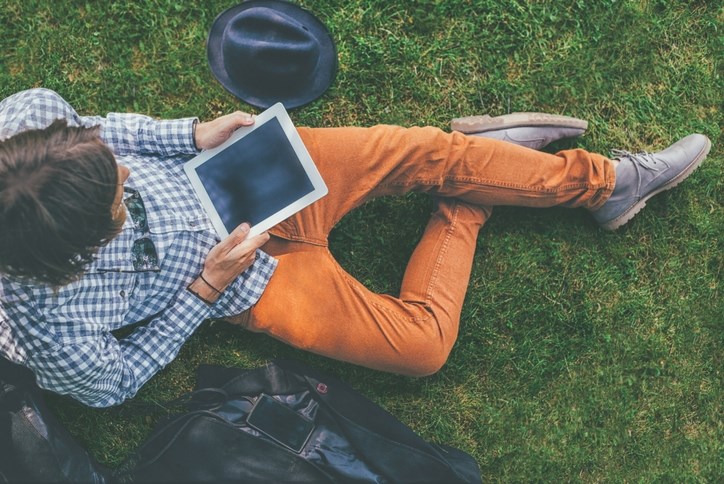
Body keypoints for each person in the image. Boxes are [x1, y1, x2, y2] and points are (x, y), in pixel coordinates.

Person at [0, 87, 710, 407]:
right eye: (118, 198)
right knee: (422, 346)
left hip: (248, 170)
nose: (125, 174)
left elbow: (98, 129)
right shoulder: (51, 326)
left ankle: (608, 184)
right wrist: (206, 289)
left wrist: (188, 137)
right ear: (80, 251)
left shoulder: (27, 125)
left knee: (422, 150)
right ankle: (472, 191)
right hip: (254, 278)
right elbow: (113, 384)